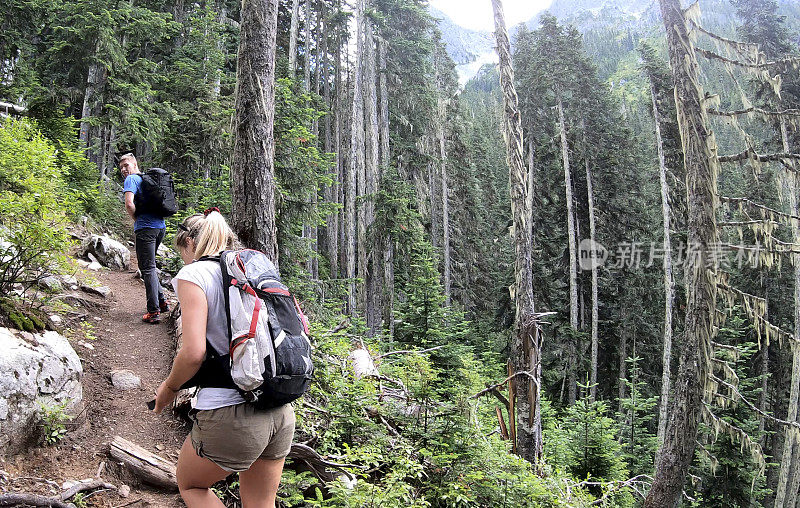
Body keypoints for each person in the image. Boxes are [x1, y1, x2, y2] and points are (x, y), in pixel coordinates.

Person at [153, 210, 295, 508]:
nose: (183, 260)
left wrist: (169, 388)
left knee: (191, 485)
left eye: (182, 253)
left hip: (230, 412)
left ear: (189, 243)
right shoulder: (250, 270)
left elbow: (193, 353)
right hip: (279, 408)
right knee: (261, 503)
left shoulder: (193, 274)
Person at [120, 153, 168, 324]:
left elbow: (129, 203)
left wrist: (136, 219)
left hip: (146, 229)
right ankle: (162, 302)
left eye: (126, 165)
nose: (124, 169)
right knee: (150, 266)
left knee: (147, 268)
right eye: (121, 167)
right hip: (160, 228)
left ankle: (153, 311)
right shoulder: (147, 179)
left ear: (134, 164)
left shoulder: (131, 180)